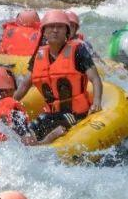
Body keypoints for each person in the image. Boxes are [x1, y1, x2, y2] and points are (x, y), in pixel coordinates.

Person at [13, 10, 104, 144]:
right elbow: (25, 84)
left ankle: (43, 144)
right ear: (44, 31)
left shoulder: (78, 50)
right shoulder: (39, 55)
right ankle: (38, 143)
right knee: (23, 126)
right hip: (52, 114)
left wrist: (96, 102)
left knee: (45, 121)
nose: (55, 30)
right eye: (51, 26)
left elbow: (95, 79)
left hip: (76, 114)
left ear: (67, 32)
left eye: (60, 27)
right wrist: (10, 103)